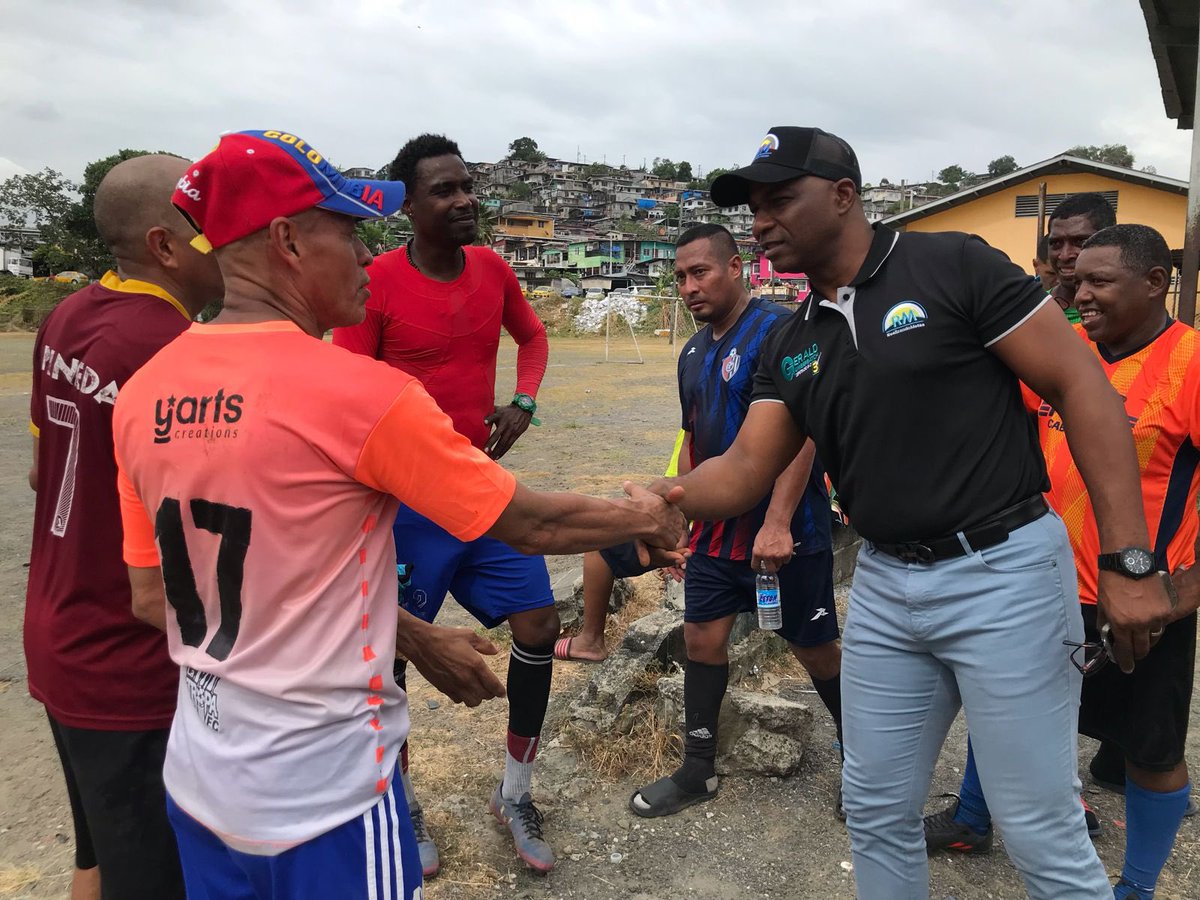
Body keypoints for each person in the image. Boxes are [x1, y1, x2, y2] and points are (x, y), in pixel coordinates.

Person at [112, 129, 685, 900]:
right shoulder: (357, 393)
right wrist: (645, 517)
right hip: (328, 797)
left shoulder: (145, 389)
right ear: (286, 240)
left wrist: (403, 630)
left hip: (202, 782)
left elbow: (153, 598)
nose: (362, 255)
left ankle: (512, 793)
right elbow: (536, 527)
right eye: (347, 232)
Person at [657, 125, 1171, 899]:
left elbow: (1083, 389)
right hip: (887, 586)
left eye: (779, 199)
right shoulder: (793, 339)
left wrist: (1130, 563)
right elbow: (740, 472)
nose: (761, 221)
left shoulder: (952, 266)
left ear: (842, 195)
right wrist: (649, 503)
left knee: (1038, 827)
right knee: (874, 809)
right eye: (753, 206)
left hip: (1005, 573)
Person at [927, 225, 1199, 900]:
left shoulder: (1189, 364)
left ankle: (1135, 888)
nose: (1080, 296)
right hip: (1039, 588)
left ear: (1155, 282)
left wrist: (1181, 592)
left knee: (1151, 752)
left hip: (1137, 604)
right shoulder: (1067, 352)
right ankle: (972, 819)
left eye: (1098, 283)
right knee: (1003, 717)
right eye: (1075, 283)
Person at [332, 133, 561, 875]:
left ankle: (515, 792)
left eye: (468, 187)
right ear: (408, 205)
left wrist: (522, 401)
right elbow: (342, 393)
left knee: (541, 621)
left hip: (479, 491)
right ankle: (398, 803)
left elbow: (530, 335)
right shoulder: (378, 284)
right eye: (444, 190)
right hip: (403, 508)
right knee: (391, 655)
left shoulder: (493, 269)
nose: (464, 200)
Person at [24, 154, 224, 900]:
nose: (224, 241)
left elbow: (44, 474)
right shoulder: (177, 355)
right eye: (206, 227)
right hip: (127, 660)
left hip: (57, 631)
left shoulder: (66, 315)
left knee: (98, 861)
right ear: (164, 245)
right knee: (150, 878)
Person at [628, 224, 844, 820]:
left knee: (816, 649)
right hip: (719, 533)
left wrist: (776, 521)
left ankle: (861, 758)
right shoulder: (692, 351)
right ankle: (697, 769)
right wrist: (686, 525)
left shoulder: (783, 331)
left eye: (701, 272)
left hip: (788, 529)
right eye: (679, 277)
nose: (689, 286)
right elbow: (697, 444)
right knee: (702, 639)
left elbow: (801, 440)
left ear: (737, 266)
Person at [555, 429, 687, 664]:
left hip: (693, 526)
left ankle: (591, 639)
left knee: (602, 538)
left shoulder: (703, 402)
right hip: (691, 519)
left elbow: (676, 482)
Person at [1046, 193, 1117, 325]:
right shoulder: (1032, 312)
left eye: (1079, 242)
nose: (1065, 255)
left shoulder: (1126, 316)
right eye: (1056, 244)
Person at [1033, 233, 1059, 298]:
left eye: (1066, 272)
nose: (1059, 280)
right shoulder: (1023, 300)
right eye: (1052, 274)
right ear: (1036, 265)